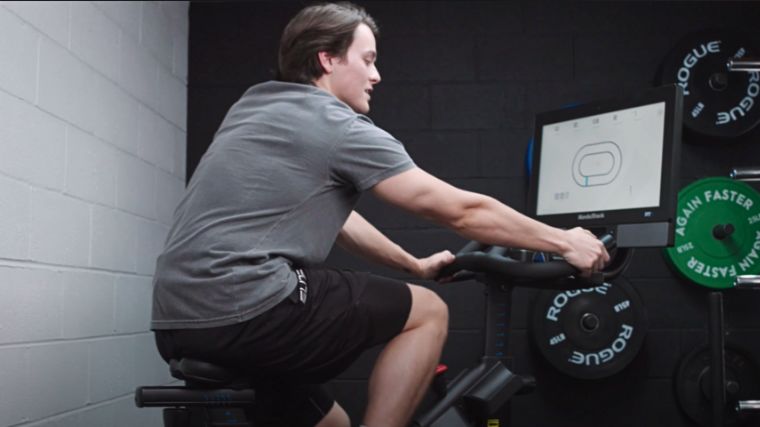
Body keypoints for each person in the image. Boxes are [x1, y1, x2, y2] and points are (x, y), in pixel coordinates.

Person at [150, 2, 609, 427]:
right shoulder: (335, 125)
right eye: (367, 59)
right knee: (428, 311)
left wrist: (413, 265)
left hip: (177, 322)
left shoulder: (256, 107)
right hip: (251, 306)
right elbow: (459, 211)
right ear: (328, 59)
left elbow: (339, 220)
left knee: (333, 424)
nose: (377, 75)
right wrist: (564, 241)